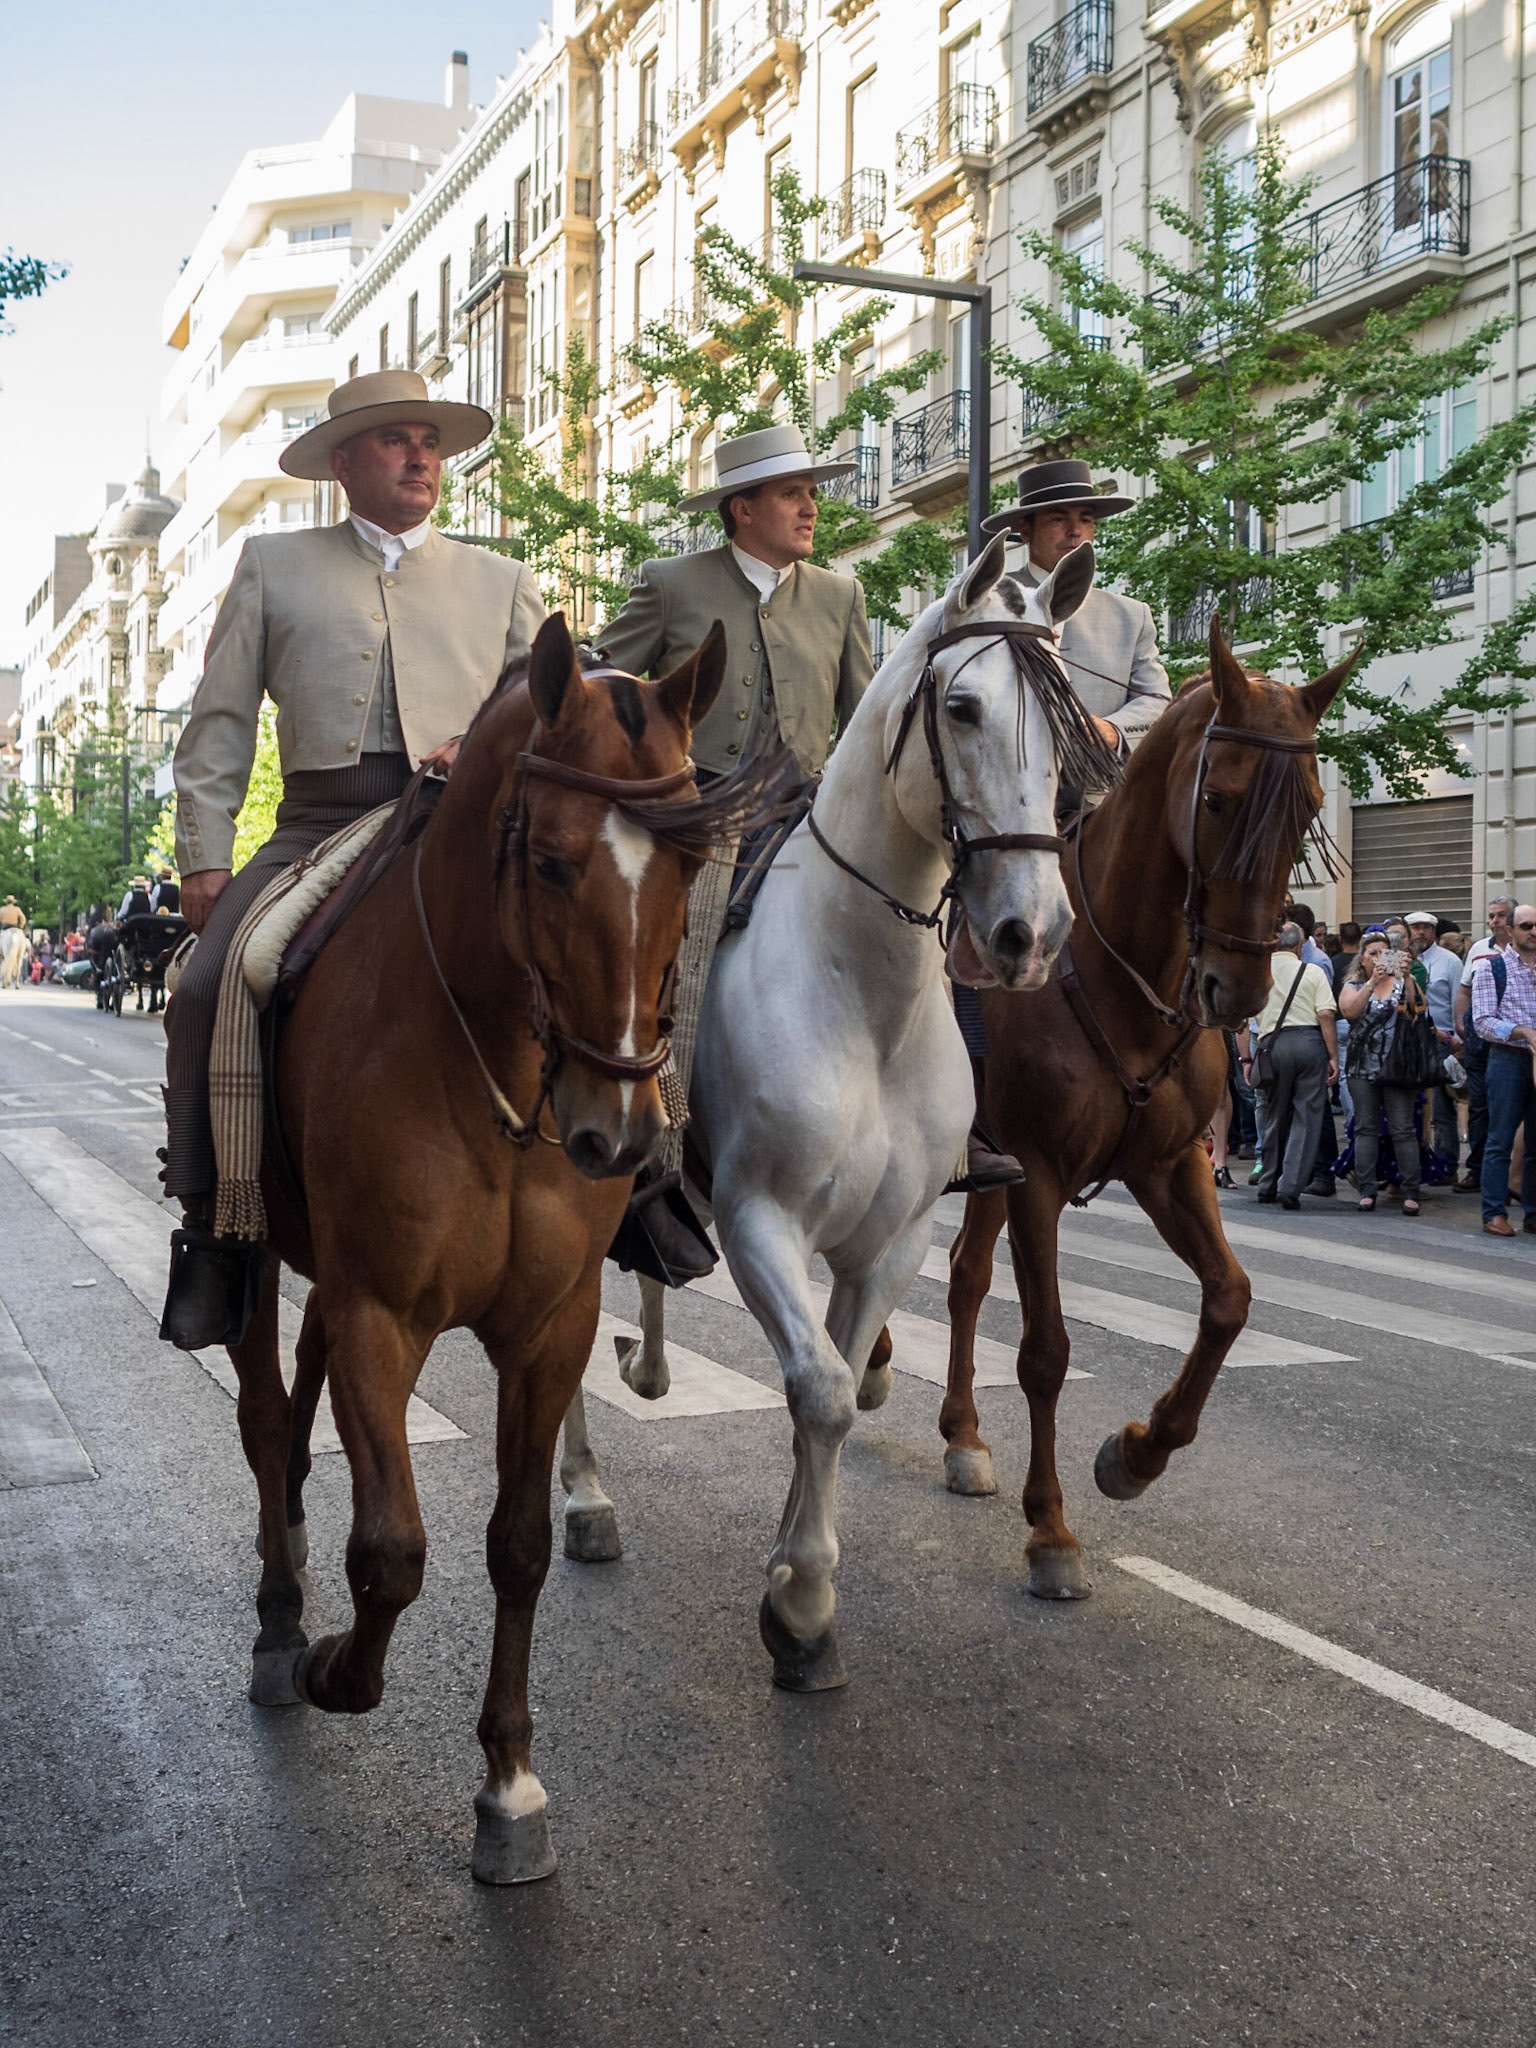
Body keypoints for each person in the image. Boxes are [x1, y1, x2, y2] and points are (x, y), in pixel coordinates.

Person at [161, 368, 546, 1348]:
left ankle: (646, 1179)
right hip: (315, 824)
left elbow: (548, 715)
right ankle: (217, 1227)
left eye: (430, 441)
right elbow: (219, 724)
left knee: (604, 955)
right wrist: (205, 856)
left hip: (463, 828)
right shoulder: (274, 564)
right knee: (209, 982)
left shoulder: (503, 578)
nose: (420, 456)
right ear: (343, 463)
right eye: (393, 440)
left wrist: (489, 747)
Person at [596, 422, 873, 1272]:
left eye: (813, 492)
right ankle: (658, 1171)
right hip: (701, 814)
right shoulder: (671, 585)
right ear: (741, 508)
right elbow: (605, 686)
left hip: (813, 814)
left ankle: (945, 1127)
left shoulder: (840, 596)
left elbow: (864, 722)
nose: (811, 506)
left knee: (907, 924)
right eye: (793, 493)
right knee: (679, 955)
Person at [960, 458, 1173, 1186]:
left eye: (1087, 520)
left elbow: (1158, 704)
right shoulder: (986, 597)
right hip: (1006, 810)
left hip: (1097, 810)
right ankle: (966, 1109)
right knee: (941, 929)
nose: (1078, 531)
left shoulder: (1129, 616)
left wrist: (1110, 731)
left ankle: (1182, 1075)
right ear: (1025, 531)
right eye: (1061, 519)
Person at [1238, 922, 1338, 1209]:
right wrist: (1333, 1057)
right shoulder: (1313, 971)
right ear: (1299, 946)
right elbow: (1327, 1016)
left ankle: (1267, 1183)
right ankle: (1290, 1187)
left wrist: (1246, 1059)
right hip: (1309, 1045)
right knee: (1306, 1118)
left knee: (1273, 1116)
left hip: (1271, 1047)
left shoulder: (1259, 974)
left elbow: (1242, 1024)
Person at [1338, 931, 1426, 1214]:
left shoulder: (1402, 984)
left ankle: (1411, 1191)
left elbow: (1420, 1009)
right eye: (1372, 953)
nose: (1378, 958)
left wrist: (1408, 976)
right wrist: (1373, 982)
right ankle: (1367, 1189)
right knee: (1365, 1128)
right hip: (1361, 1068)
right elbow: (1350, 1011)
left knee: (1403, 1129)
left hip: (1398, 1067)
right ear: (1361, 959)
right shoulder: (1353, 985)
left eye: (1384, 952)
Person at [1470, 901, 1536, 1236]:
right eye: (1526, 926)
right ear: (1510, 930)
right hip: (1508, 1059)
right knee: (1500, 1138)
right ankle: (1493, 1212)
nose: (1534, 932)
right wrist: (1521, 1032)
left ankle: (1533, 1212)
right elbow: (1481, 1021)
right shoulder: (1492, 969)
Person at [1453, 895, 1516, 1193]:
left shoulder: (1526, 947)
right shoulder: (1479, 949)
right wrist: (1462, 1024)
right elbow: (1464, 991)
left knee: (1514, 1110)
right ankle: (1477, 1170)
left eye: (1500, 916)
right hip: (1480, 1042)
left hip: (1516, 1043)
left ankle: (1514, 1177)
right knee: (1479, 1107)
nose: (1493, 921)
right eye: (1491, 916)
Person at [1404, 909, 1462, 1170]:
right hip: (1406, 1042)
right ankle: (1414, 1161)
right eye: (1415, 927)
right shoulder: (1400, 961)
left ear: (1434, 932)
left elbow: (1459, 1003)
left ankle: (1447, 1164)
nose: (1420, 932)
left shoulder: (1449, 961)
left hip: (1440, 1041)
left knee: (1441, 1108)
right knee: (1408, 1106)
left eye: (1426, 928)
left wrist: (1456, 1040)